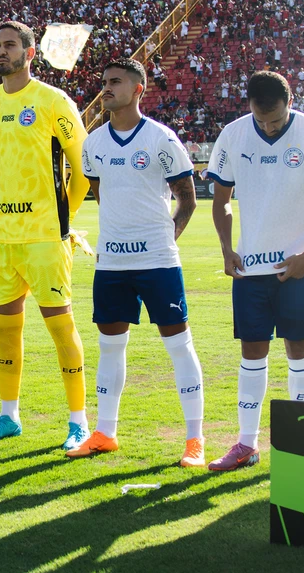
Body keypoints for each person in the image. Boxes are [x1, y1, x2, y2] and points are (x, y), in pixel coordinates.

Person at [68, 60, 205, 465]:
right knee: (110, 348)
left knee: (179, 347)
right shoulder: (93, 143)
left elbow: (188, 198)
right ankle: (105, 433)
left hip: (158, 262)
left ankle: (194, 440)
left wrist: (164, 239)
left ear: (138, 89)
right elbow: (101, 193)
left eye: (115, 82)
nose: (106, 89)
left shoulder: (162, 140)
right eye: (104, 82)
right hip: (111, 263)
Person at [205, 71, 304, 470]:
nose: (268, 126)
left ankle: (302, 444)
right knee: (252, 352)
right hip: (250, 268)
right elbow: (221, 200)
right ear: (247, 105)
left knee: (298, 349)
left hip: (300, 267)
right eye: (261, 120)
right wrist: (227, 248)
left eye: (276, 121)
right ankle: (246, 444)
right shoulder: (232, 135)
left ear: (290, 103)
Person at [0, 21, 91, 449]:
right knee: (5, 332)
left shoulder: (52, 100)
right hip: (2, 240)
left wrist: (65, 217)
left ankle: (78, 421)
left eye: (10, 46)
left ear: (29, 53)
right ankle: (8, 416)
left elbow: (82, 168)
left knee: (61, 329)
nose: (1, 52)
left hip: (45, 238)